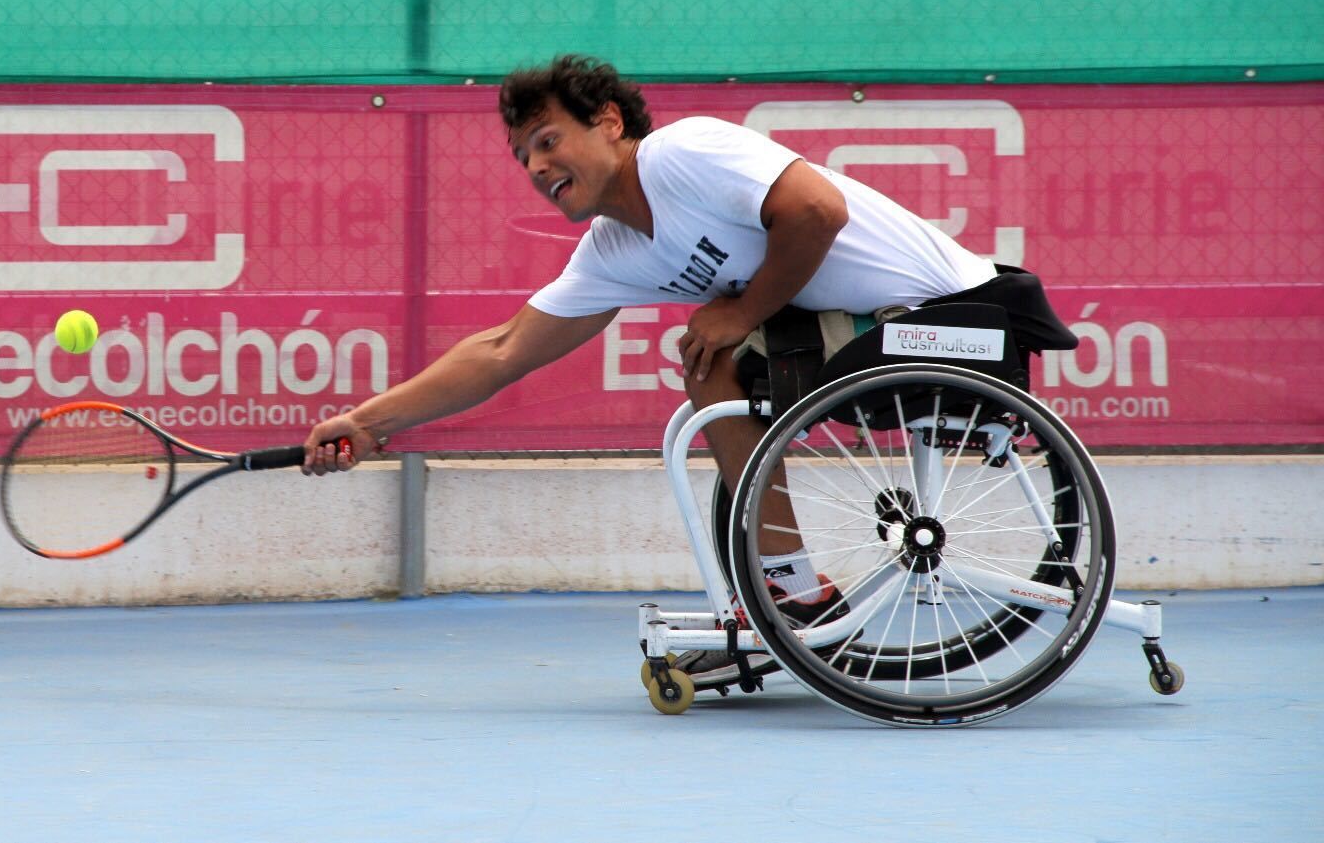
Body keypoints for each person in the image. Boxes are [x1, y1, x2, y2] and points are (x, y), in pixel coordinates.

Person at [301, 54, 1009, 683]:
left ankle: (790, 589)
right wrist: (367, 422)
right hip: (879, 326)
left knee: (712, 347)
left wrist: (740, 311)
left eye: (548, 142)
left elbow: (816, 210)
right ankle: (787, 586)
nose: (538, 168)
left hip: (949, 312)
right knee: (710, 358)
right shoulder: (615, 250)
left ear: (608, 122)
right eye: (525, 159)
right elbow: (502, 350)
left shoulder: (680, 154)